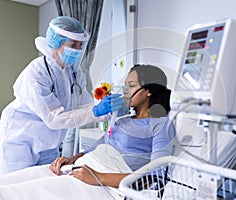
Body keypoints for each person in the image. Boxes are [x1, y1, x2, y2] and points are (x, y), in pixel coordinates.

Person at [0, 64, 175, 200]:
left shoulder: (160, 125)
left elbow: (155, 177)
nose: (124, 91)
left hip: (105, 182)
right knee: (13, 182)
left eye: (131, 85)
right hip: (84, 167)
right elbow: (96, 148)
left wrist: (99, 177)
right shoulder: (123, 120)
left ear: (148, 91)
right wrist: (71, 159)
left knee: (21, 194)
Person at [0, 16, 123, 175]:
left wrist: (107, 111)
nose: (78, 50)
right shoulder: (37, 72)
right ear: (57, 44)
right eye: (73, 45)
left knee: (45, 180)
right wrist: (95, 111)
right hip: (20, 138)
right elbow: (53, 118)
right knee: (15, 186)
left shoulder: (75, 73)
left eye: (80, 45)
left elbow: (83, 105)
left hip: (49, 142)